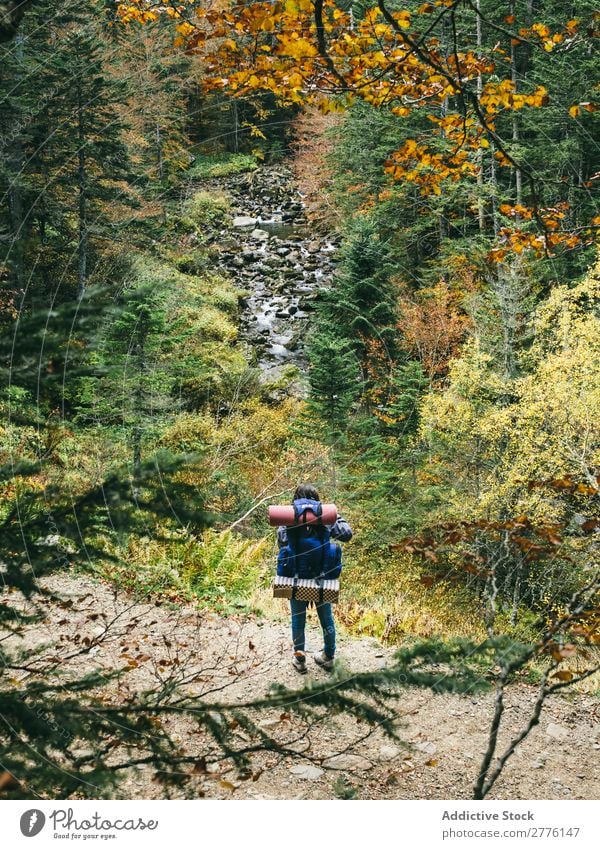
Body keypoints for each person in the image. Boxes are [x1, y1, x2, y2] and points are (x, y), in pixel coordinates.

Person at [276, 484, 352, 673]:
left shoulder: (288, 515)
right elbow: (346, 534)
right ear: (317, 498)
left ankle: (300, 659)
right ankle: (328, 656)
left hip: (296, 578)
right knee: (326, 618)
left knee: (297, 619)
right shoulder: (325, 514)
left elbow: (282, 542)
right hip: (322, 577)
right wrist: (330, 520)